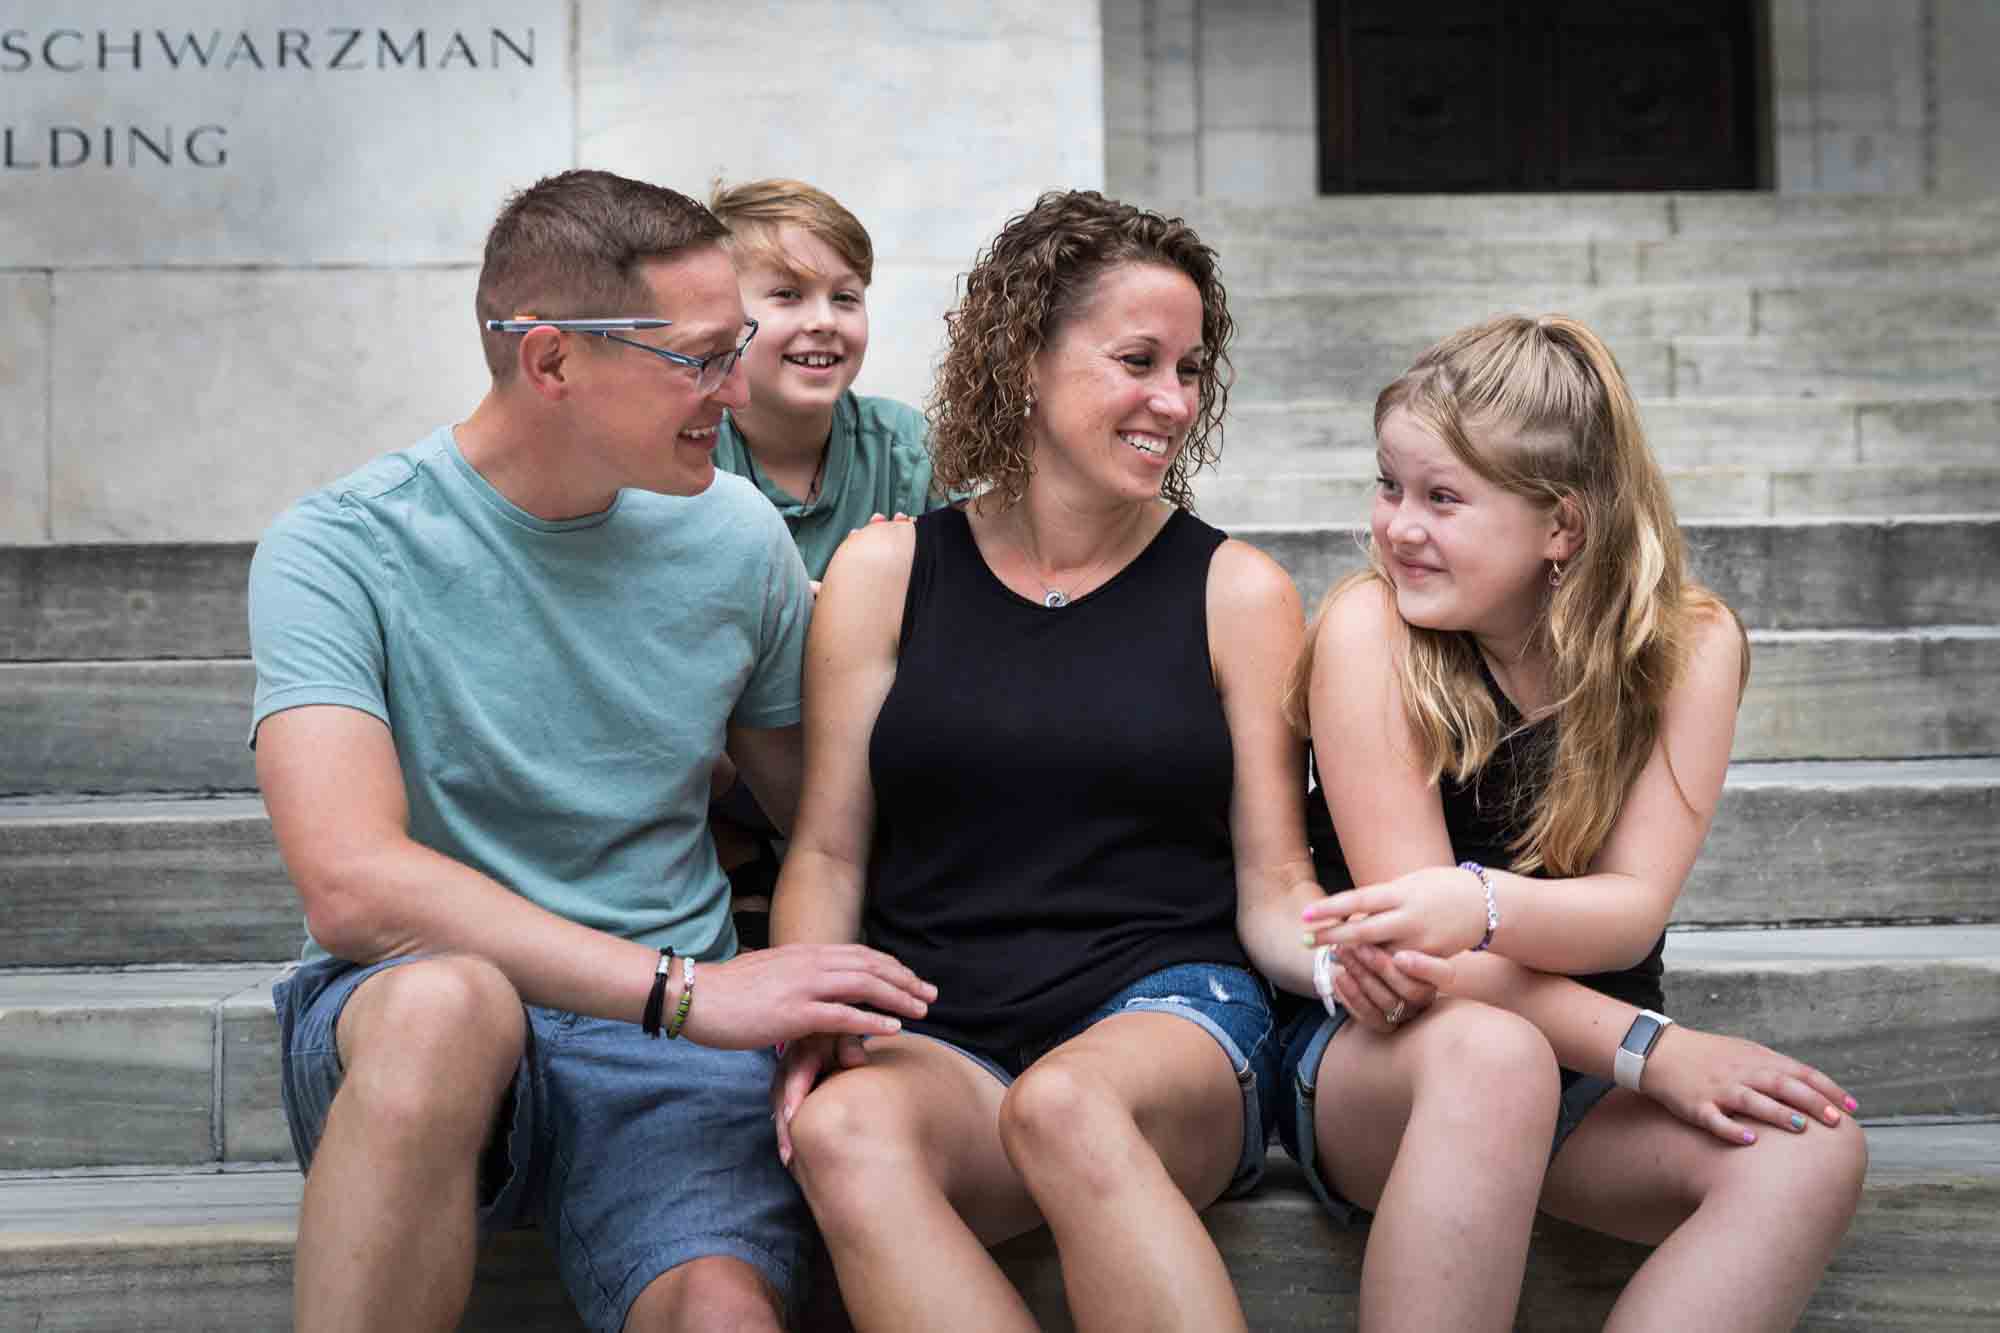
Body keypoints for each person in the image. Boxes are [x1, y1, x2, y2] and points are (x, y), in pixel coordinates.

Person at [247, 169, 935, 1333]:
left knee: (722, 1313)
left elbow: (816, 810)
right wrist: (684, 992)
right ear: (551, 360)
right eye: (702, 357)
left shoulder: (732, 535)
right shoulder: (339, 548)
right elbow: (353, 885)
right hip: (423, 1016)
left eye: (737, 350)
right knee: (448, 1007)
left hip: (662, 1048)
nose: (734, 389)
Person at [765, 190, 1313, 1332]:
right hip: (939, 1025)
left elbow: (1271, 884)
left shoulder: (1237, 594)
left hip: (1169, 1011)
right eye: (1136, 361)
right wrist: (808, 1005)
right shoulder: (883, 573)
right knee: (838, 1131)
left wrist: (1357, 963)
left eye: (1189, 369)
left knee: (1067, 1103)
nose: (1172, 400)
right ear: (1023, 353)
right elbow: (824, 842)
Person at [1280, 315, 1867, 1330]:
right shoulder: (1365, 631)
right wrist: (1653, 1047)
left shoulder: (1685, 644)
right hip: (1392, 1056)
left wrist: (1475, 901)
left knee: (1810, 1147)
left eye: (1442, 499)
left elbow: (1628, 913)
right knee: (1488, 1061)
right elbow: (1414, 962)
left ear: (1561, 526)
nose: (1397, 527)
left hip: (1582, 1065)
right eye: (1389, 486)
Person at [703, 178, 945, 949]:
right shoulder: (690, 448)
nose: (823, 322)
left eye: (846, 296)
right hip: (724, 766)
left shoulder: (905, 445)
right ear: (721, 316)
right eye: (786, 294)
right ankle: (737, 869)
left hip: (869, 749)